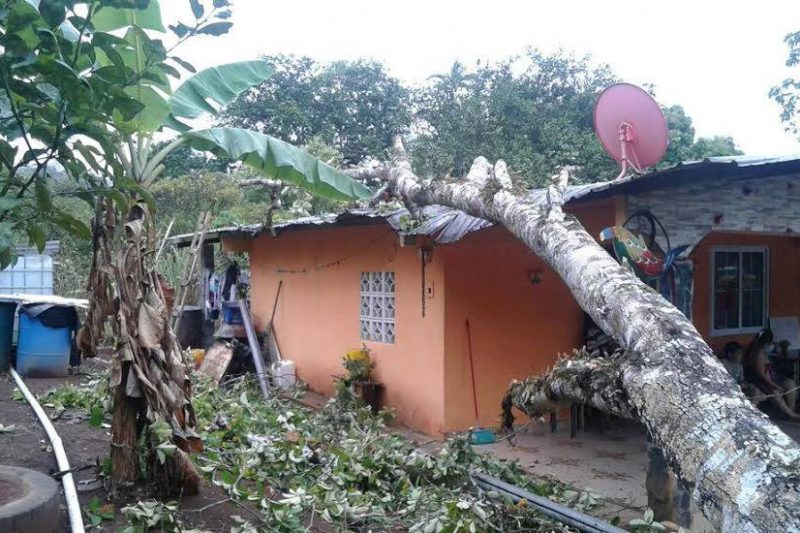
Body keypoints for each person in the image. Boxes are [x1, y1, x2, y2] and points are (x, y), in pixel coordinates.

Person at [743, 329, 800, 421]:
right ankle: (791, 414)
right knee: (776, 392)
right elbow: (763, 376)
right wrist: (776, 386)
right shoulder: (757, 355)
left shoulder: (764, 351)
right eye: (770, 343)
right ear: (766, 343)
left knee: (790, 383)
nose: (771, 345)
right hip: (762, 381)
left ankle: (790, 411)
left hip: (773, 377)